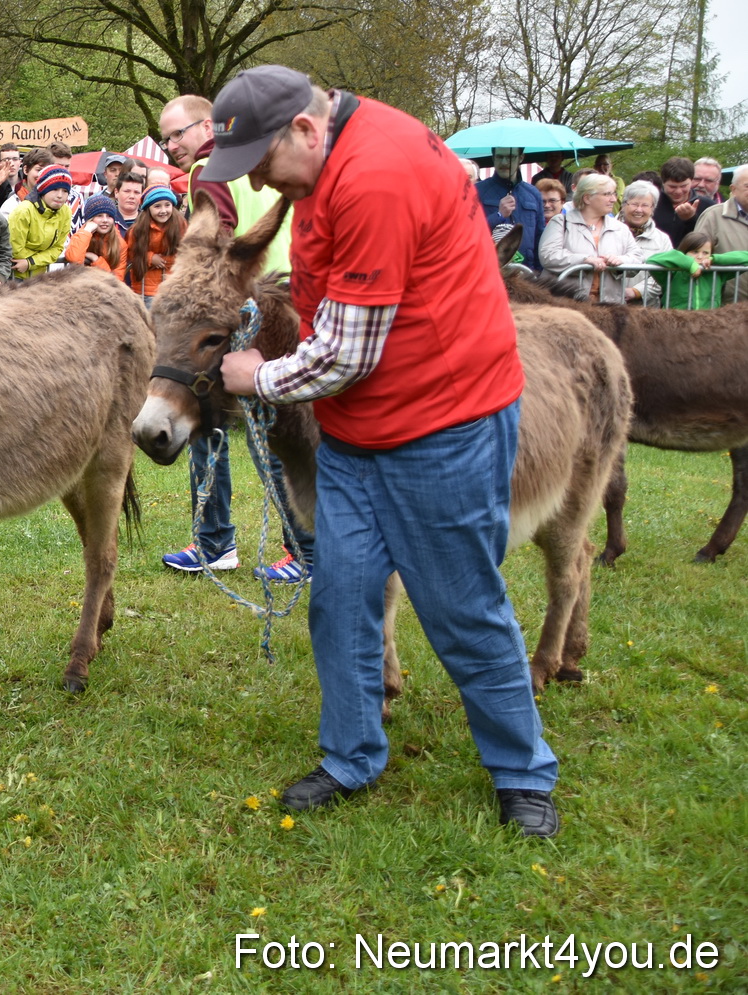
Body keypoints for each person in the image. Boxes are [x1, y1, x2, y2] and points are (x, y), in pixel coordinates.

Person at [208, 65, 559, 838]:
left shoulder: (376, 176)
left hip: (441, 426)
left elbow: (346, 354)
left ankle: (523, 770)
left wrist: (255, 375)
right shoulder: (330, 161)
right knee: (342, 598)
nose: (262, 183)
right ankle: (352, 753)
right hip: (359, 433)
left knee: (461, 603)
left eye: (263, 163)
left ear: (305, 127)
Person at [156, 91, 306, 581]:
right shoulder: (266, 165)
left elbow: (216, 243)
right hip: (289, 303)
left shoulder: (208, 169)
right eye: (165, 138)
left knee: (231, 428)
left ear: (207, 128)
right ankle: (286, 543)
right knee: (275, 427)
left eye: (177, 133)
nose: (171, 145)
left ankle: (238, 543)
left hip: (242, 311)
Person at [538, 172, 635, 303]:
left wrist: (620, 261)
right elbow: (548, 255)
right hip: (567, 305)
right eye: (607, 194)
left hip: (609, 307)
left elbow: (637, 257)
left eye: (614, 194)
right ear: (587, 198)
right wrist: (584, 260)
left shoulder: (620, 228)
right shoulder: (561, 222)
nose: (613, 199)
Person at [474, 148, 545, 269]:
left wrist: (538, 271)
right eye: (499, 157)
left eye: (511, 157)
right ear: (493, 158)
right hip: (489, 270)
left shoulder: (533, 193)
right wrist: (499, 215)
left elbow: (540, 236)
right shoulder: (477, 191)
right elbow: (469, 232)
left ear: (521, 158)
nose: (504, 162)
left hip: (527, 271)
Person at [646, 232, 748, 310]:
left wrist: (714, 259)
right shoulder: (673, 272)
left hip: (708, 324)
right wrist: (689, 264)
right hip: (676, 324)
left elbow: (745, 257)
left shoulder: (717, 273)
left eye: (705, 253)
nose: (700, 256)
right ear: (684, 252)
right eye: (695, 252)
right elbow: (652, 260)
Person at [8, 165, 73, 279]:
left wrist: (31, 262)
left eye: (65, 191)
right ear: (43, 189)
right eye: (54, 189)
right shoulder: (24, 211)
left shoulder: (66, 211)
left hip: (42, 278)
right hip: (16, 277)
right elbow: (16, 250)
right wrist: (41, 258)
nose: (60, 195)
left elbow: (58, 248)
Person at [125, 185, 181, 306]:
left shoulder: (180, 225)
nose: (163, 210)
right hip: (146, 289)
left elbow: (184, 254)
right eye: (157, 206)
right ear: (148, 209)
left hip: (172, 286)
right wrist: (150, 258)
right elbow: (131, 252)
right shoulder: (137, 230)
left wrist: (165, 260)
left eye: (167, 205)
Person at [618, 180, 672, 304]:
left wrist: (636, 291)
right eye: (634, 204)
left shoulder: (662, 239)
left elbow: (663, 274)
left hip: (646, 311)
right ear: (624, 204)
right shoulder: (607, 230)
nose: (639, 210)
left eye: (645, 205)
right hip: (607, 306)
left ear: (653, 208)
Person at [652, 157, 715, 248]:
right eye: (672, 187)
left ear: (692, 181)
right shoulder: (652, 202)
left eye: (684, 186)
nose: (678, 191)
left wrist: (691, 219)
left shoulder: (708, 206)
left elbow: (708, 240)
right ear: (663, 183)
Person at [61, 195, 126, 280]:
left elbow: (117, 279)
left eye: (109, 216)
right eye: (99, 215)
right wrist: (87, 230)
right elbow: (74, 259)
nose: (105, 220)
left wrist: (96, 260)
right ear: (90, 219)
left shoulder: (120, 243)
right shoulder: (82, 234)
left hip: (107, 289)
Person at [115, 170, 145, 235]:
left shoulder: (147, 221)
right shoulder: (107, 220)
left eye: (136, 192)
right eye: (127, 191)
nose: (132, 196)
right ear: (116, 192)